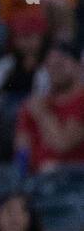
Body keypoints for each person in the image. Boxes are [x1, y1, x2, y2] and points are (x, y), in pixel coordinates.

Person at [15, 45, 84, 173]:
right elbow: (22, 149)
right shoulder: (34, 103)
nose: (56, 70)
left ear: (78, 65)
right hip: (37, 179)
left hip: (74, 179)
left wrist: (43, 114)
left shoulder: (81, 100)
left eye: (61, 64)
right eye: (51, 66)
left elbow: (62, 145)